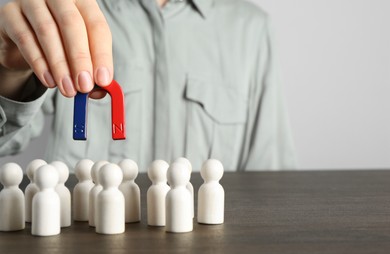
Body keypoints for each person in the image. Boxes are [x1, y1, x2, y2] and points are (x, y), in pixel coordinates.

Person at [0, 0, 296, 171]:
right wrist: (7, 73)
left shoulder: (251, 29)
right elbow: (6, 144)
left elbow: (272, 180)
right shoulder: (65, 12)